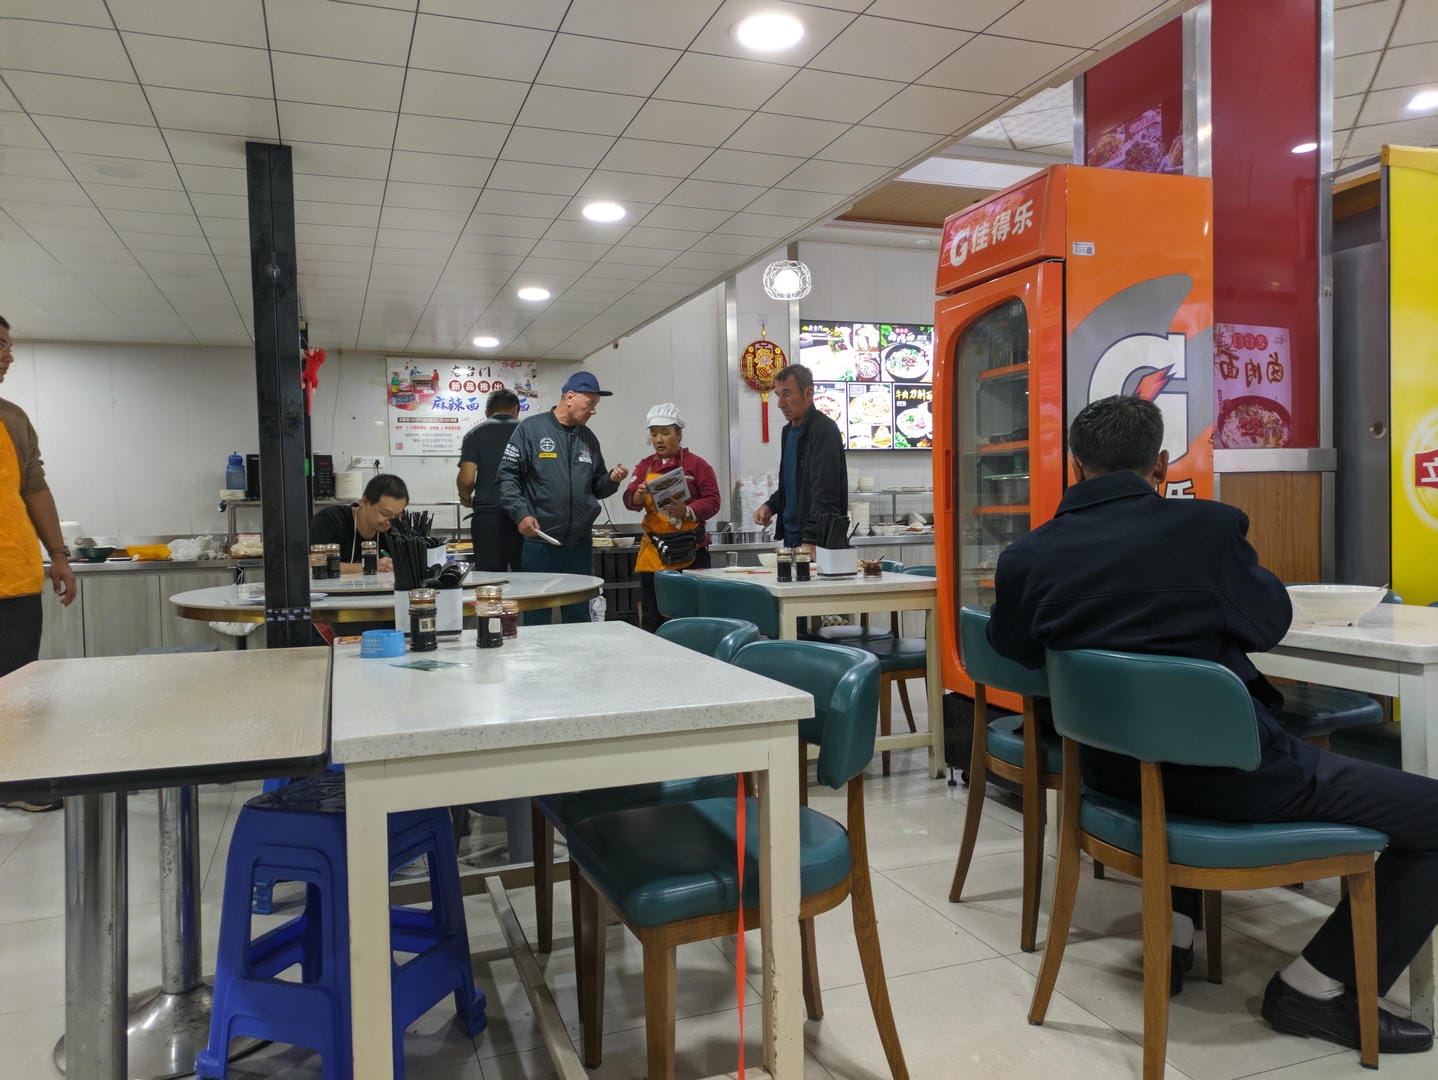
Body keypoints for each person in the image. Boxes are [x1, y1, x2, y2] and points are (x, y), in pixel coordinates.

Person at [987, 394, 1436, 1056]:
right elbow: (1268, 624)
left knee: (1173, 741)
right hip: (1234, 783)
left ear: (1075, 469)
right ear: (1162, 465)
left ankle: (1175, 933)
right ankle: (1313, 987)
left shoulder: (1028, 556)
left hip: (1110, 778)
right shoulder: (1207, 531)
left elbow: (1016, 650)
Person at [0, 315, 77, 811]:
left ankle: (20, 783)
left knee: (18, 690)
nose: (8, 355)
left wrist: (60, 558)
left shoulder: (12, 418)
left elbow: (35, 488)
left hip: (16, 577)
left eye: (8, 346)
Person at [497, 371, 627, 623]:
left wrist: (611, 480)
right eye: (590, 404)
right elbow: (506, 477)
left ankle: (578, 663)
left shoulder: (587, 438)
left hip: (579, 545)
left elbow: (596, 486)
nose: (593, 411)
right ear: (569, 397)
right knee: (537, 614)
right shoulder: (531, 429)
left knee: (578, 614)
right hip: (541, 543)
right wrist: (520, 514)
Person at [623, 403, 721, 632]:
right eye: (654, 433)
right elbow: (629, 500)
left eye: (665, 433)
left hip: (692, 552)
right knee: (652, 616)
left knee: (693, 618)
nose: (659, 439)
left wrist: (687, 510)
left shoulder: (698, 465)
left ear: (679, 434)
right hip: (655, 553)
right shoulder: (645, 466)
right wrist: (637, 496)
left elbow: (713, 500)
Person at [752, 363, 847, 548]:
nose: (780, 404)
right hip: (792, 538)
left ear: (808, 394)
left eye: (787, 394)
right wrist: (771, 506)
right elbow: (792, 485)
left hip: (817, 542)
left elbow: (826, 492)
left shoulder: (823, 429)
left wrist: (812, 539)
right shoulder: (788, 432)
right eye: (778, 396)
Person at [457, 388, 523, 572]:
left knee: (489, 580)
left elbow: (466, 480)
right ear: (516, 408)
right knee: (528, 578)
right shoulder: (528, 431)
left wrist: (465, 498)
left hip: (488, 520)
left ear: (487, 411)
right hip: (523, 518)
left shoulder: (475, 434)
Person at [309, 473, 408, 573]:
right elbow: (310, 562)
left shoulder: (395, 530)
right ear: (364, 501)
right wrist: (370, 566)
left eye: (397, 516)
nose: (389, 522)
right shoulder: (330, 520)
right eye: (384, 513)